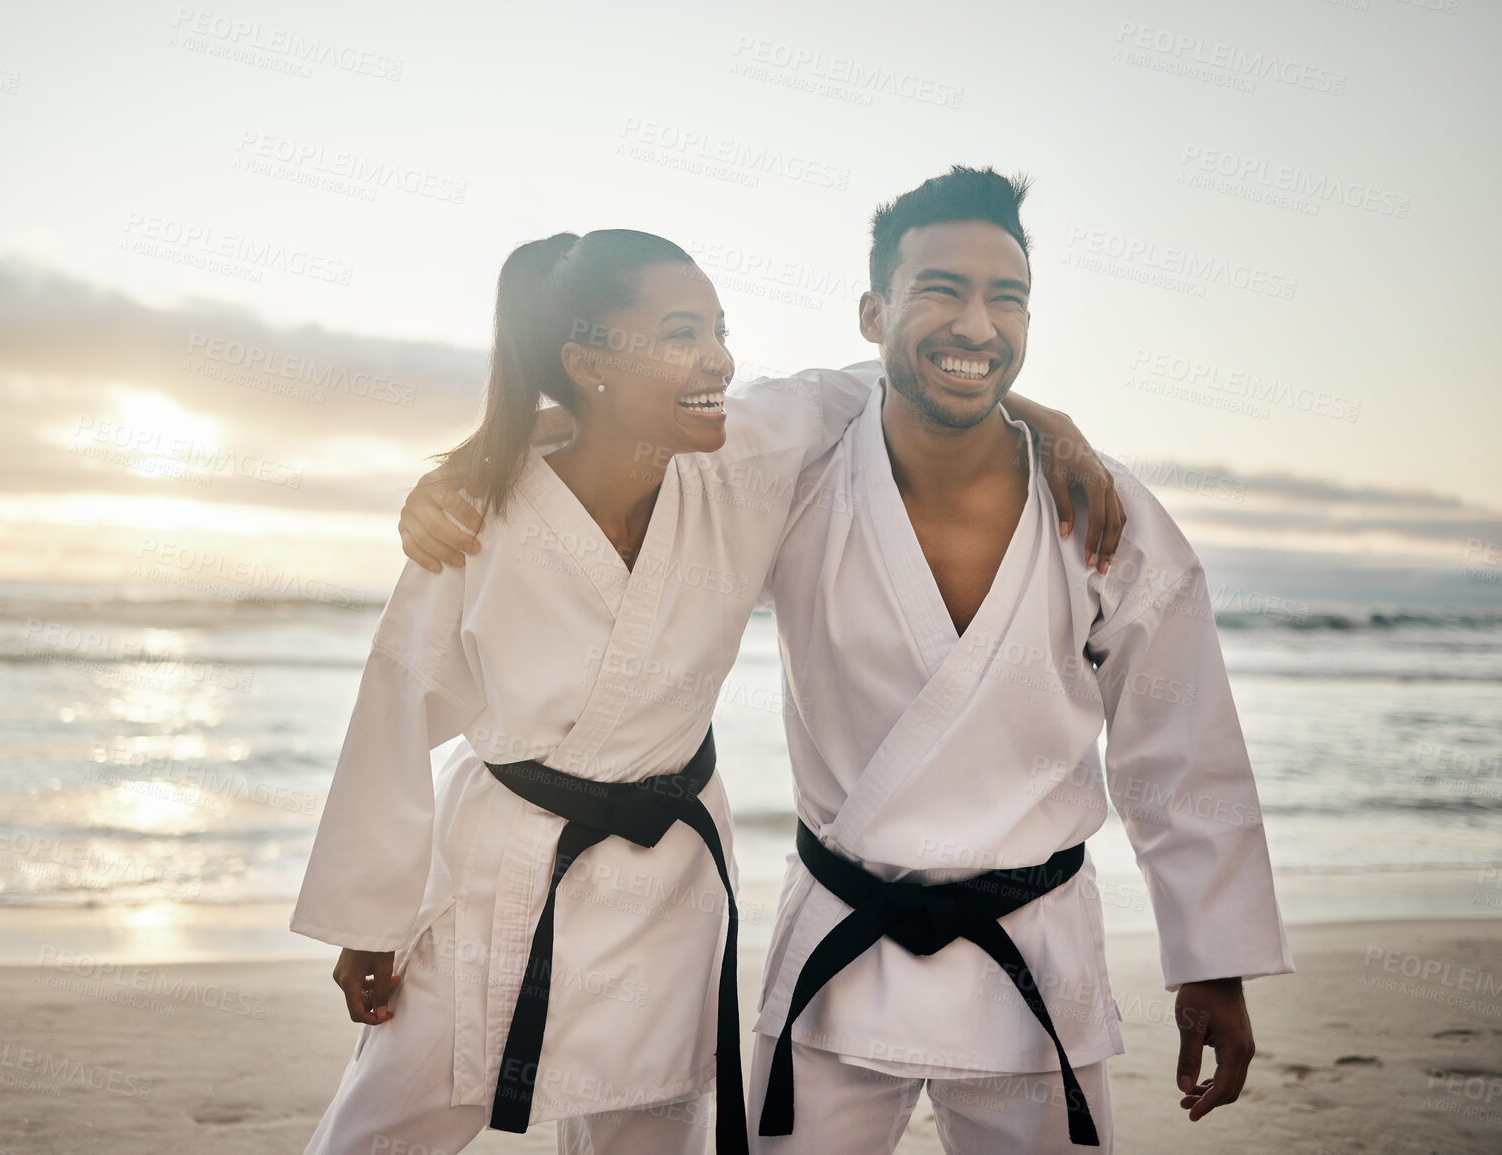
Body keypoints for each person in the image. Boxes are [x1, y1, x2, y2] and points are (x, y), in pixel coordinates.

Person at [399, 169, 1293, 1154]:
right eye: (941, 290)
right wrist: (483, 463)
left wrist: (1211, 960)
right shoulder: (792, 469)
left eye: (1008, 297)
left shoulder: (1102, 513)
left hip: (1034, 963)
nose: (978, 323)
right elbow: (640, 424)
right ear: (873, 311)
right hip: (837, 963)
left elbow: (1181, 740)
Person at [304, 228, 1124, 1155]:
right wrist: (367, 919)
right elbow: (393, 711)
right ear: (588, 362)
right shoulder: (475, 517)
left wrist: (1056, 427)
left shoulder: (746, 455)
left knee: (649, 1131)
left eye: (719, 330)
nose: (721, 361)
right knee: (374, 1131)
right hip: (503, 872)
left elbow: (910, 374)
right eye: (683, 333)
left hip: (668, 885)